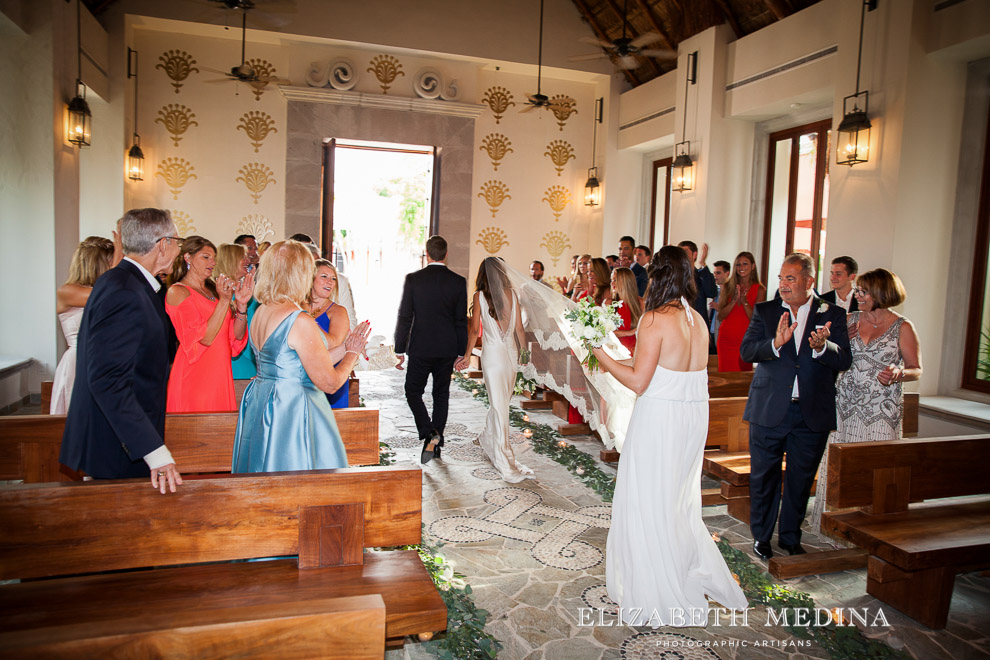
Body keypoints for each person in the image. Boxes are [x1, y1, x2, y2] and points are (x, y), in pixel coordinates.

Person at [591, 246, 748, 627]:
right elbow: (657, 367)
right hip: (692, 418)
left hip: (661, 419)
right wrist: (612, 355)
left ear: (658, 275)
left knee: (647, 497)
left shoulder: (654, 318)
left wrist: (598, 353)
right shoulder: (694, 318)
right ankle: (678, 567)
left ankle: (653, 584)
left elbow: (639, 381)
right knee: (675, 499)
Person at [59, 208, 183, 493]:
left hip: (126, 434)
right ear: (162, 244)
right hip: (117, 443)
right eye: (177, 240)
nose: (178, 248)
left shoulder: (131, 283)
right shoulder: (124, 290)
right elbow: (108, 380)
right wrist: (154, 450)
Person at [740, 253, 851, 560]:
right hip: (769, 409)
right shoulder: (766, 310)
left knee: (800, 481)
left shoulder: (834, 313)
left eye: (791, 279)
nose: (784, 285)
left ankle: (790, 537)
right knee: (764, 479)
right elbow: (747, 350)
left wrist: (822, 348)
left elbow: (844, 359)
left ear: (809, 281)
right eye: (781, 278)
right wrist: (775, 343)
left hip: (811, 411)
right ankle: (761, 537)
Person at [232, 241, 372, 473]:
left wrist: (348, 345)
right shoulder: (299, 320)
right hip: (292, 408)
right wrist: (352, 354)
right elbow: (330, 383)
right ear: (301, 274)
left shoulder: (262, 311)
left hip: (263, 399)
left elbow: (295, 360)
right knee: (300, 482)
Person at [809, 268, 921, 537]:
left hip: (881, 410)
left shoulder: (902, 326)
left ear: (882, 294)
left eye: (863, 291)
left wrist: (898, 374)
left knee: (873, 470)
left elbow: (916, 368)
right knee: (841, 469)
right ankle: (835, 527)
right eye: (857, 290)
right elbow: (833, 353)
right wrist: (822, 343)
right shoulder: (848, 320)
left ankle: (869, 532)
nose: (857, 295)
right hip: (845, 406)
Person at [455, 258, 534, 483]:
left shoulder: (479, 296)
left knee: (499, 405)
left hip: (493, 357)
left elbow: (474, 331)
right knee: (501, 404)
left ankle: (493, 445)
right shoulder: (513, 294)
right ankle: (501, 452)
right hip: (509, 356)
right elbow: (519, 329)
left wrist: (467, 355)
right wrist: (524, 354)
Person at [394, 235, 468, 464]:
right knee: (441, 394)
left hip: (420, 347)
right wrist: (460, 351)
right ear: (446, 254)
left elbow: (405, 315)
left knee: (412, 391)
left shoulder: (414, 279)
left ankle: (429, 432)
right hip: (446, 348)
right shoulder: (458, 281)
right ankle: (434, 442)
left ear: (426, 254)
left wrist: (399, 347)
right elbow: (460, 320)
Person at [164, 237, 252, 412]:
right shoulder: (178, 291)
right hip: (195, 373)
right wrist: (225, 301)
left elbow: (236, 337)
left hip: (219, 370)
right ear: (188, 258)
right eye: (206, 257)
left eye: (214, 258)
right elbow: (204, 338)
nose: (213, 262)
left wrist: (241, 306)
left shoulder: (214, 291)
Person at [51, 237, 116, 414]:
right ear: (96, 264)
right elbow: (108, 294)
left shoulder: (106, 290)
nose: (114, 268)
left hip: (103, 360)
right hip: (78, 362)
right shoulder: (67, 291)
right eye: (111, 262)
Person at [308, 259, 351, 408]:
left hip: (330, 375)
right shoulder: (296, 306)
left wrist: (307, 320)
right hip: (302, 377)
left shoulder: (338, 311)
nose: (330, 282)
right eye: (324, 277)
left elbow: (333, 343)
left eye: (333, 279)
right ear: (310, 278)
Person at [716, 251, 766, 372]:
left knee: (741, 379)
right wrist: (734, 300)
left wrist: (745, 302)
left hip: (745, 341)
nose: (741, 268)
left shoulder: (759, 289)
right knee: (725, 378)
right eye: (738, 265)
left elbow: (755, 319)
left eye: (745, 264)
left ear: (753, 266)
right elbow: (721, 316)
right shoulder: (728, 286)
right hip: (726, 340)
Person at [217, 243, 259, 380]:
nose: (248, 260)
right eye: (243, 257)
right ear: (231, 260)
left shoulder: (246, 291)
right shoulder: (220, 294)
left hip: (249, 359)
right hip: (237, 361)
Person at [678, 240, 718, 322]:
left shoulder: (702, 274)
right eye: (680, 253)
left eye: (685, 252)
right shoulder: (675, 276)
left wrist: (702, 263)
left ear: (694, 255)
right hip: (680, 321)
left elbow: (712, 292)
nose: (683, 256)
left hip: (698, 321)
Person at [611, 267, 642, 354]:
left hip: (635, 351)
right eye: (612, 280)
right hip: (616, 351)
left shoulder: (640, 303)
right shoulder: (610, 303)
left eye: (615, 280)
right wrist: (629, 332)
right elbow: (606, 332)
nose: (612, 283)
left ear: (625, 281)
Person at [709, 259, 731, 353]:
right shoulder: (715, 291)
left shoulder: (732, 291)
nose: (715, 276)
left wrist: (718, 307)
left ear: (727, 273)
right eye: (714, 273)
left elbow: (732, 312)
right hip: (712, 332)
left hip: (723, 333)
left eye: (718, 273)